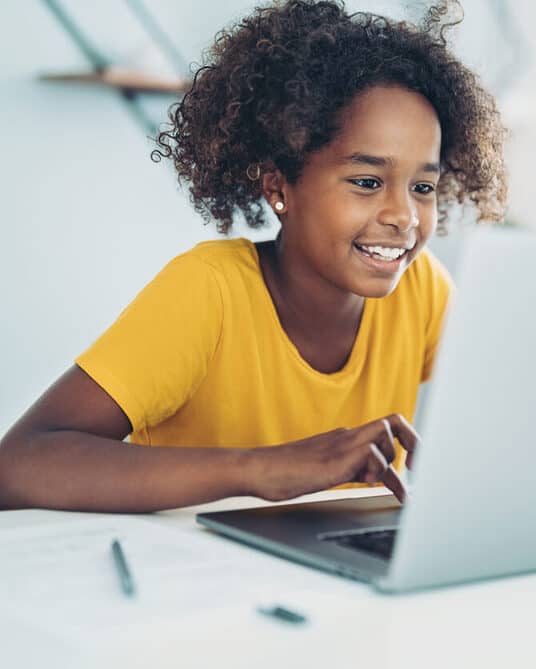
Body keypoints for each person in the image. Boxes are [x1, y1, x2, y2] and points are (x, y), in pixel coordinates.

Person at [0, 0, 506, 512]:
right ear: (279, 187)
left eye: (423, 186)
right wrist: (262, 467)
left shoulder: (423, 290)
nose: (405, 216)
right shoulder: (208, 292)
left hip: (342, 577)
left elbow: (512, 420)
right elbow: (16, 465)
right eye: (367, 182)